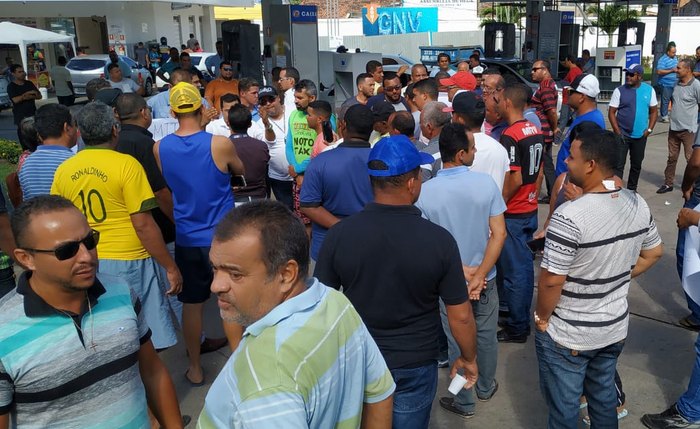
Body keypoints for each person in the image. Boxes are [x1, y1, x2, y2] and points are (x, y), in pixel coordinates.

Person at [315, 134, 478, 427]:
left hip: (360, 358)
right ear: (412, 182)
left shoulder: (340, 235)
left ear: (371, 181)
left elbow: (321, 303)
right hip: (414, 362)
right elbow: (461, 316)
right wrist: (468, 358)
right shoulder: (439, 241)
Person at [198, 200, 395, 428]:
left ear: (286, 274)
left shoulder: (266, 382)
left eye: (235, 274)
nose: (216, 285)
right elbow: (380, 392)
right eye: (215, 268)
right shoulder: (335, 302)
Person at [0, 195, 184, 428]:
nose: (86, 257)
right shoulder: (4, 332)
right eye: (66, 251)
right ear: (26, 259)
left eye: (90, 241)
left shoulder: (120, 292)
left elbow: (153, 371)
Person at [536, 129, 663, 428]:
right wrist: (615, 277)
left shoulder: (570, 216)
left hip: (570, 334)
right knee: (603, 398)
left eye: (571, 157)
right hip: (614, 328)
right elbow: (654, 252)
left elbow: (552, 281)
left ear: (591, 165)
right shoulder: (637, 203)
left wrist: (542, 316)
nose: (566, 162)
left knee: (564, 410)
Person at [51, 101, 182, 351]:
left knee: (107, 329)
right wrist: (170, 266)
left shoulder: (64, 170)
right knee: (146, 332)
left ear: (80, 133)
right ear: (114, 130)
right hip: (130, 258)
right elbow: (143, 224)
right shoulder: (126, 165)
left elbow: (60, 220)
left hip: (87, 257)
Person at [154, 82, 245, 386]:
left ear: (172, 111)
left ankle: (194, 367)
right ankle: (240, 365)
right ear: (201, 107)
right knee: (229, 301)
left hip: (187, 237)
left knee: (192, 304)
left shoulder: (160, 147)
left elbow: (169, 181)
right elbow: (239, 168)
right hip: (222, 236)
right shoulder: (219, 143)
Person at [416, 122, 507, 419]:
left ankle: (464, 400)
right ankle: (484, 386)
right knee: (485, 334)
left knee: (457, 338)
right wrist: (480, 274)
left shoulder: (425, 193)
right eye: (472, 147)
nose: (476, 150)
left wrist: (462, 271)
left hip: (449, 281)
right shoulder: (486, 184)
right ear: (461, 153)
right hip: (486, 278)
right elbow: (499, 234)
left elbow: (427, 244)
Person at [496, 84, 545, 343]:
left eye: (499, 99)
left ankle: (517, 326)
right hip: (530, 206)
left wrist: (500, 203)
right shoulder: (534, 129)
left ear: (507, 102)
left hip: (514, 211)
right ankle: (516, 316)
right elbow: (538, 172)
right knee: (523, 268)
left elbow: (514, 177)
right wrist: (533, 195)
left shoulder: (511, 134)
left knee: (517, 273)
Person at [300, 104, 373, 262]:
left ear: (342, 125)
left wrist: (342, 227)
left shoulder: (321, 161)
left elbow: (308, 205)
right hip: (371, 245)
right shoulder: (382, 160)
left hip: (328, 248)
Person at [609, 63, 658, 191]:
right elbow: (611, 112)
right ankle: (616, 189)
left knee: (636, 165)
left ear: (639, 76)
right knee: (618, 165)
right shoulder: (619, 90)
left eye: (631, 74)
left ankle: (632, 190)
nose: (628, 77)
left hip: (640, 136)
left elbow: (654, 112)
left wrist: (649, 130)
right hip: (622, 135)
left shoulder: (649, 90)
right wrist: (617, 131)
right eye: (627, 74)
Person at [449, 91, 510, 191]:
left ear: (459, 119)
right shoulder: (500, 148)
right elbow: (506, 186)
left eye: (453, 114)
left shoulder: (458, 151)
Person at [658, 59, 700, 195]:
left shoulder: (696, 86)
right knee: (671, 158)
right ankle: (668, 183)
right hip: (673, 129)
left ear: (688, 70)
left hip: (689, 130)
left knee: (691, 159)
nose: (676, 70)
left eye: (679, 68)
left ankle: (694, 186)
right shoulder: (676, 84)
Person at [18, 104, 76, 200]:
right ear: (67, 128)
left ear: (39, 135)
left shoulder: (26, 164)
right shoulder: (73, 161)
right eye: (74, 125)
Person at [249, 86, 293, 209]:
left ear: (278, 98)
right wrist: (266, 124)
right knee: (287, 212)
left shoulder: (293, 112)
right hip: (279, 178)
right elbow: (270, 140)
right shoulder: (258, 123)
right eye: (263, 102)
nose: (268, 104)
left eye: (271, 99)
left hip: (300, 174)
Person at [555, 74, 606, 176]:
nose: (568, 94)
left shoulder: (591, 122)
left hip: (572, 184)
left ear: (582, 97)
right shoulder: (583, 116)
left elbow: (587, 162)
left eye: (571, 92)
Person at [285, 79, 318, 230]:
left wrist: (298, 169)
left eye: (300, 98)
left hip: (315, 174)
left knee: (317, 218)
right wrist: (296, 173)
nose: (295, 101)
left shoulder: (323, 116)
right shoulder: (293, 115)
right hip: (297, 177)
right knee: (302, 221)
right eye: (295, 97)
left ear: (312, 98)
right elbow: (289, 145)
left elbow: (320, 150)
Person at [227, 104, 270, 204]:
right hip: (260, 200)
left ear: (228, 123)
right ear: (250, 124)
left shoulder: (223, 148)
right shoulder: (262, 146)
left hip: (235, 202)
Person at [531, 60, 559, 203]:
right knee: (546, 163)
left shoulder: (546, 87)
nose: (532, 72)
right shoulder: (546, 85)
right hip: (545, 130)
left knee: (543, 164)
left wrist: (554, 128)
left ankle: (552, 193)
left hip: (543, 131)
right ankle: (552, 192)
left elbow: (552, 111)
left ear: (545, 70)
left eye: (535, 69)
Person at [7, 64, 40, 147]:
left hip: (33, 115)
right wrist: (26, 95)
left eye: (23, 71)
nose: (23, 73)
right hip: (21, 117)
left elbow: (39, 95)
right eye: (19, 72)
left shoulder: (29, 83)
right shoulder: (11, 86)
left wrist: (30, 95)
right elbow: (15, 100)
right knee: (25, 141)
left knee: (36, 139)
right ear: (13, 74)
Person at [419, 101, 452, 181]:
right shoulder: (465, 146)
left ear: (429, 127)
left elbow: (422, 190)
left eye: (421, 123)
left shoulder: (425, 157)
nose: (420, 126)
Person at [657, 43, 679, 123]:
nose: (674, 54)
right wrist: (671, 70)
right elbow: (659, 71)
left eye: (675, 52)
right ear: (668, 52)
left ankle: (674, 115)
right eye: (673, 52)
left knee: (675, 100)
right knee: (665, 100)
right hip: (665, 84)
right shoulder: (663, 59)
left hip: (675, 83)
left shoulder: (675, 58)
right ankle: (664, 116)